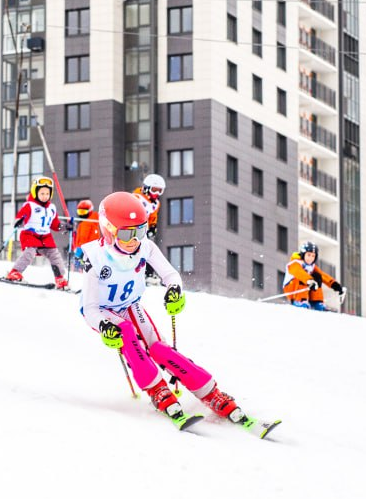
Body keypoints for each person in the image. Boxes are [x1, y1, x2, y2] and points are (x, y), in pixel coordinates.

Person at [79, 191, 278, 438]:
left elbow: (170, 274)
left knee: (160, 350)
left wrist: (174, 290)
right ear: (108, 230)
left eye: (139, 231)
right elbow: (89, 308)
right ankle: (157, 390)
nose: (134, 240)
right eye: (126, 233)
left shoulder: (146, 248)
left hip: (131, 305)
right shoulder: (95, 258)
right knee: (126, 333)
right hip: (105, 312)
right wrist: (103, 326)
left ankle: (211, 392)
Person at [6, 176, 72, 288]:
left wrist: (65, 226)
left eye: (47, 194)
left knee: (55, 255)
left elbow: (55, 224)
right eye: (42, 193)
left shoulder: (52, 208)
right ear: (35, 192)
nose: (45, 196)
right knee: (30, 253)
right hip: (30, 234)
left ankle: (60, 279)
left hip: (45, 236)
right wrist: (19, 220)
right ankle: (15, 272)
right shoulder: (30, 205)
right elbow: (21, 216)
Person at [282, 242, 344, 311]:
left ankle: (316, 302)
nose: (311, 258)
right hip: (291, 288)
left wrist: (334, 285)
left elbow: (323, 276)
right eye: (308, 255)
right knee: (303, 278)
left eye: (313, 256)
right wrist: (309, 281)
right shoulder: (294, 263)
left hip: (305, 285)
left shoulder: (312, 266)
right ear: (303, 254)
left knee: (317, 276)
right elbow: (299, 273)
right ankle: (300, 301)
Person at [131, 173, 165, 240]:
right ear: (146, 188)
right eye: (154, 190)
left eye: (160, 191)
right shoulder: (136, 198)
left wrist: (152, 226)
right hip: (131, 228)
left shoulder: (155, 204)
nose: (157, 193)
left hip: (143, 231)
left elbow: (152, 215)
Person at [71, 199, 100, 272]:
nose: (81, 214)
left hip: (85, 249)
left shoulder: (86, 223)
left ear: (90, 211)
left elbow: (83, 238)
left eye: (84, 212)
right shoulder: (91, 221)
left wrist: (79, 251)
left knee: (81, 266)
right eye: (80, 212)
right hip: (90, 249)